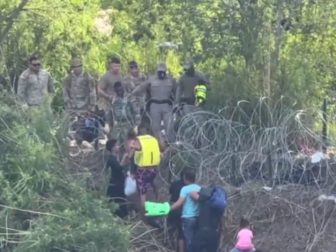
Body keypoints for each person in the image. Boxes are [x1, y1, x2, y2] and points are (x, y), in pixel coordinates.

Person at [130, 63, 176, 142]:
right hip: (155, 105)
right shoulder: (151, 79)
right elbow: (141, 87)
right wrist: (132, 93)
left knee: (169, 127)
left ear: (165, 71)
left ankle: (171, 146)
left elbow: (177, 90)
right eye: (159, 71)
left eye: (163, 71)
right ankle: (158, 145)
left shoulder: (171, 80)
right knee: (155, 127)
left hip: (167, 105)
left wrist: (177, 102)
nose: (161, 73)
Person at [127, 127, 160, 212]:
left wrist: (132, 148)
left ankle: (144, 209)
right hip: (153, 168)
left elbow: (130, 156)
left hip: (142, 170)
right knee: (153, 186)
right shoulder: (153, 140)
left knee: (142, 190)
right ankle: (157, 203)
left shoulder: (139, 141)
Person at [170, 170, 201, 252]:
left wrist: (169, 208)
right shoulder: (199, 188)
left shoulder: (185, 189)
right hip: (197, 217)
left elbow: (179, 203)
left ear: (185, 178)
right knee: (195, 238)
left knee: (188, 239)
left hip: (187, 217)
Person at [189, 186, 226, 252]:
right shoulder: (219, 206)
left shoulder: (204, 200)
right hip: (213, 233)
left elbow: (191, 193)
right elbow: (221, 222)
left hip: (201, 231)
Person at [106, 139, 129, 218]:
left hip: (119, 183)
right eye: (116, 145)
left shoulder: (115, 157)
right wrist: (124, 158)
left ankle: (122, 215)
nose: (118, 147)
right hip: (115, 184)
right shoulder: (111, 159)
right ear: (112, 148)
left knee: (121, 200)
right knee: (118, 200)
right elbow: (119, 168)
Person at [98, 57, 123, 130]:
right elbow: (99, 89)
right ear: (111, 66)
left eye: (118, 66)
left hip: (118, 104)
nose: (117, 68)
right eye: (115, 66)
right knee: (109, 125)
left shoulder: (120, 76)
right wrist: (108, 96)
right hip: (108, 105)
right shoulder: (106, 77)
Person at [111, 81, 136, 151]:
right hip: (118, 124)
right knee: (115, 144)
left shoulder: (129, 98)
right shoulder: (114, 100)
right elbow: (112, 113)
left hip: (127, 123)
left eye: (120, 89)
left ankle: (128, 158)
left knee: (128, 145)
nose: (119, 92)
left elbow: (135, 112)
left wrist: (135, 125)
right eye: (117, 90)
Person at [123, 61, 148, 125]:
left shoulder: (143, 77)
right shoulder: (126, 79)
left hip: (143, 103)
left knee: (144, 122)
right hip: (132, 103)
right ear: (129, 69)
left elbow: (147, 88)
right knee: (133, 122)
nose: (134, 69)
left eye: (136, 67)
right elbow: (124, 92)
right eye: (132, 68)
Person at [167, 172, 186, 252]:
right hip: (182, 209)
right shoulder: (187, 187)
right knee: (181, 233)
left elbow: (170, 193)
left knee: (171, 229)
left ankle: (170, 247)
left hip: (172, 208)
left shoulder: (174, 183)